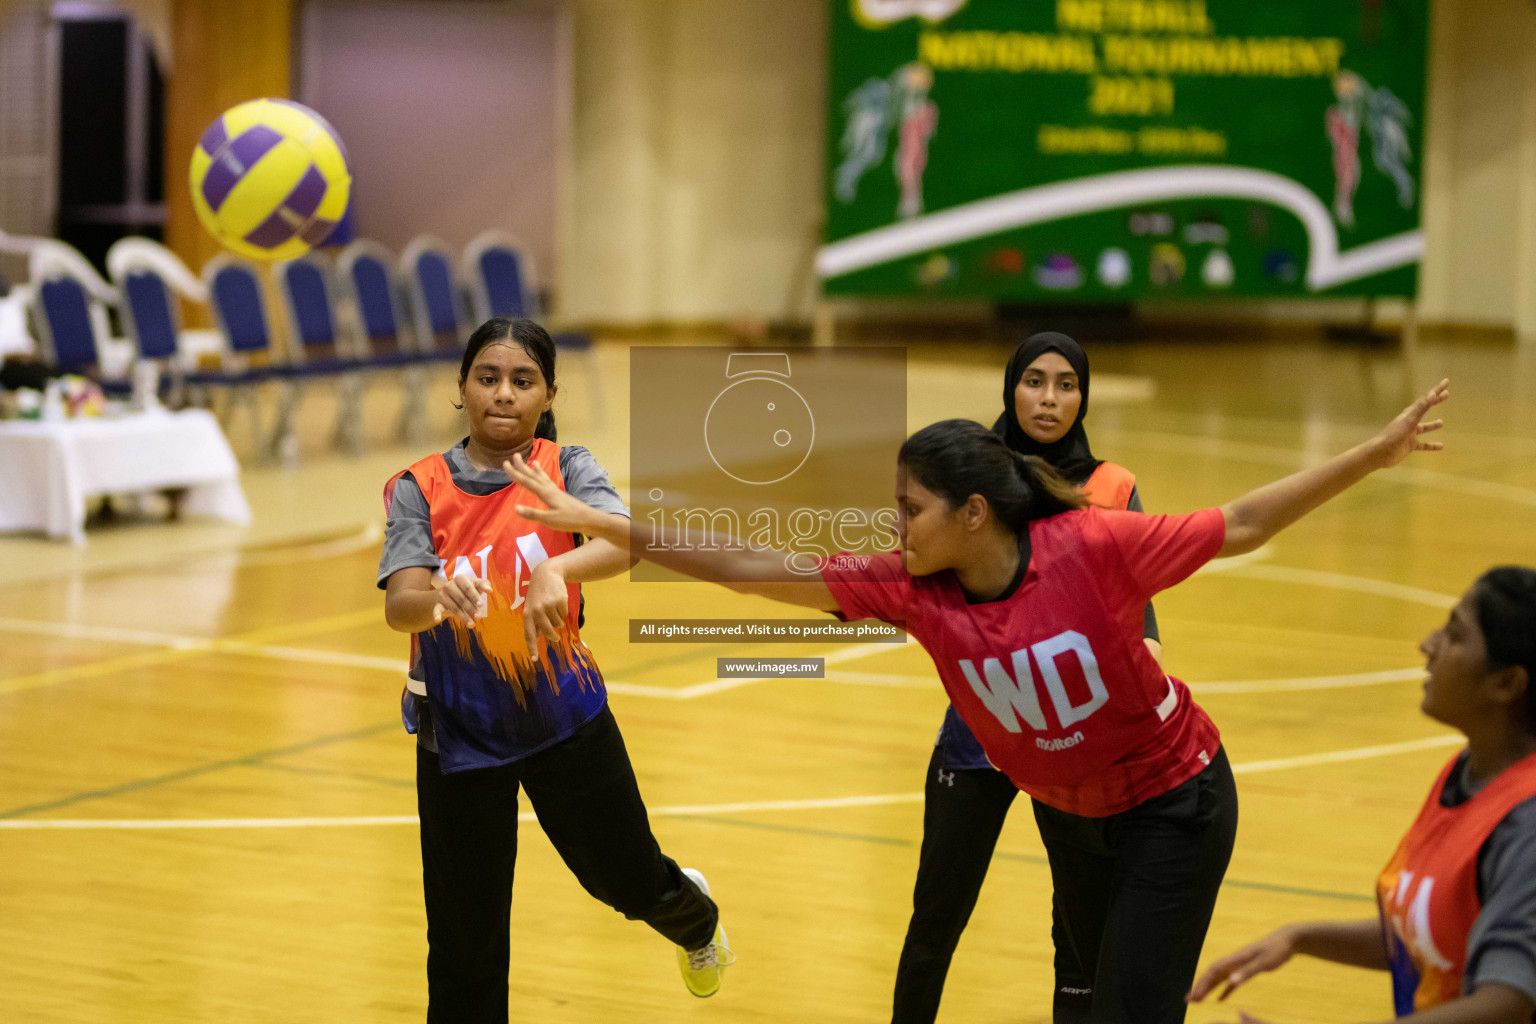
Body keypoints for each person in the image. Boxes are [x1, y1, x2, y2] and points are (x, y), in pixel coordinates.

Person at [503, 376, 1449, 1023]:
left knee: (1127, 1012)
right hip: (1074, 815)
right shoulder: (911, 588)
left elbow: (1242, 522)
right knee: (1091, 1007)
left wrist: (1372, 453)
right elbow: (757, 567)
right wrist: (611, 523)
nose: (894, 523)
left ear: (973, 512)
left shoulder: (1093, 547)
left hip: (1176, 803)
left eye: (909, 505)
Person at [378, 317, 731, 1023]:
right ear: (461, 388)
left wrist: (561, 567)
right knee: (462, 937)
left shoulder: (566, 468)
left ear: (548, 394)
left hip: (563, 719)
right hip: (457, 736)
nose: (502, 394)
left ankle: (694, 920)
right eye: (487, 377)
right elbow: (401, 607)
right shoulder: (418, 487)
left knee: (626, 881)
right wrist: (438, 598)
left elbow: (623, 541)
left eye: (521, 380)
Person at [892, 332, 1163, 1024]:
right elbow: (921, 560)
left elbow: (1134, 587)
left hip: (1070, 738)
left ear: (1084, 395)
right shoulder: (968, 473)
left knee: (1080, 932)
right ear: (1011, 386)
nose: (1049, 398)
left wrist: (1150, 648)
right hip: (981, 726)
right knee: (935, 919)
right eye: (1035, 381)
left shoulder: (1113, 485)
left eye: (1066, 384)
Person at [1188, 567, 1536, 1024]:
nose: (1427, 644)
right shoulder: (1466, 772)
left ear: (1505, 683)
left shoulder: (1524, 823)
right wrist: (1300, 937)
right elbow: (1436, 938)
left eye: (1453, 635)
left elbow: (1506, 1002)